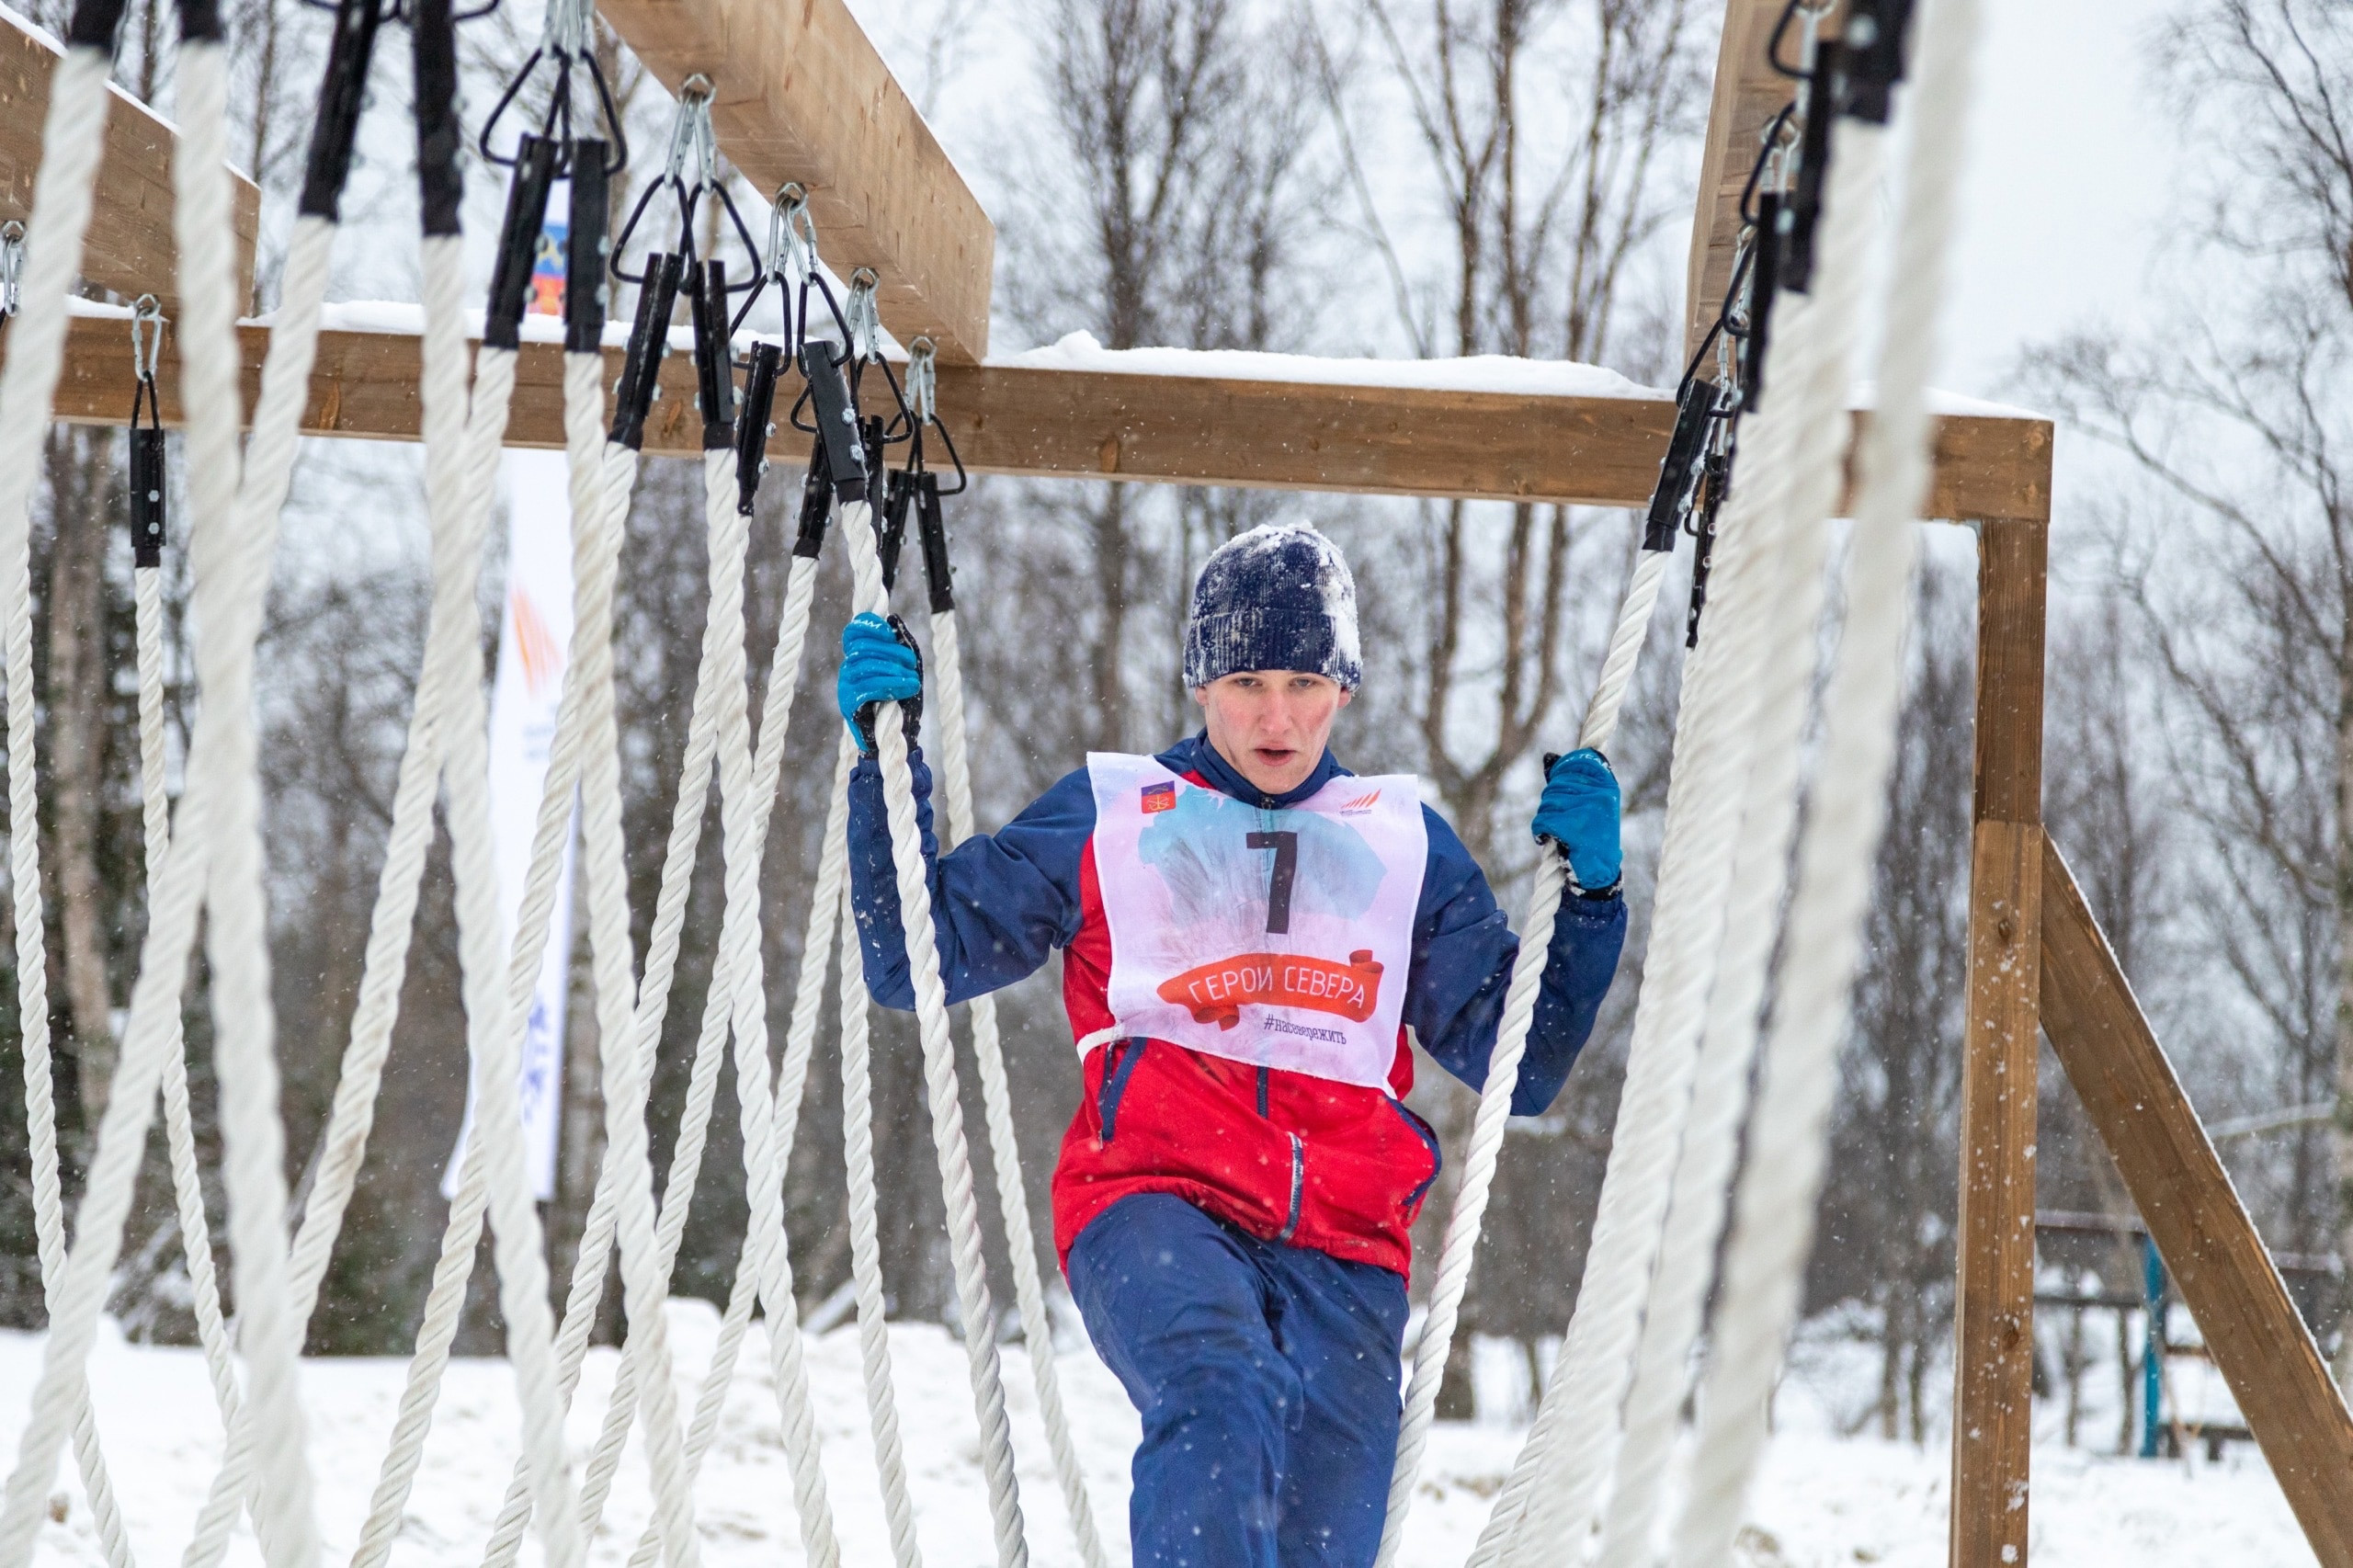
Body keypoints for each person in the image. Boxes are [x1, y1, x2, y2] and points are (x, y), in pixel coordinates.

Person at [840, 521, 1627, 1568]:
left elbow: (1515, 1061)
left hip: (1345, 1246)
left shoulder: (1401, 847)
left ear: (1342, 688)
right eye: (1247, 677)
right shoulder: (1112, 817)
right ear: (1200, 684)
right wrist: (883, 764)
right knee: (1221, 1391)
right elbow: (917, 958)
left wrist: (1593, 898)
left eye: (1303, 679)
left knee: (1317, 1540)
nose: (1274, 713)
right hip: (1155, 1200)